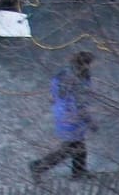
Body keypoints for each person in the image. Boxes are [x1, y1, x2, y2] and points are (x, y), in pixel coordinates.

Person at [29, 51, 94, 182]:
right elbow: (76, 100)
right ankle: (39, 166)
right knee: (72, 147)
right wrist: (86, 118)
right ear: (83, 63)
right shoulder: (75, 77)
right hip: (70, 116)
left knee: (77, 145)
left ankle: (78, 171)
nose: (90, 66)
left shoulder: (68, 74)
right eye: (88, 63)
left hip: (65, 114)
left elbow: (58, 96)